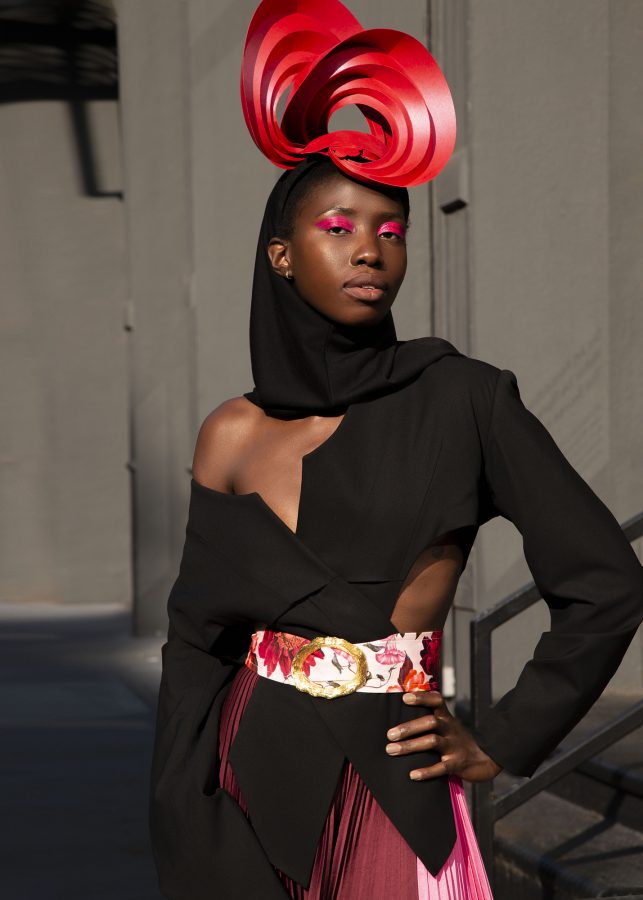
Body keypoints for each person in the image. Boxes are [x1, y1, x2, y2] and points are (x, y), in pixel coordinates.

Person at [149, 3, 643, 898]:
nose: (370, 250)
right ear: (281, 256)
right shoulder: (230, 432)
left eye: (389, 229)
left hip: (392, 777)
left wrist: (502, 737)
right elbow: (196, 639)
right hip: (241, 778)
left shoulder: (462, 399)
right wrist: (181, 800)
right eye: (338, 228)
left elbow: (605, 580)